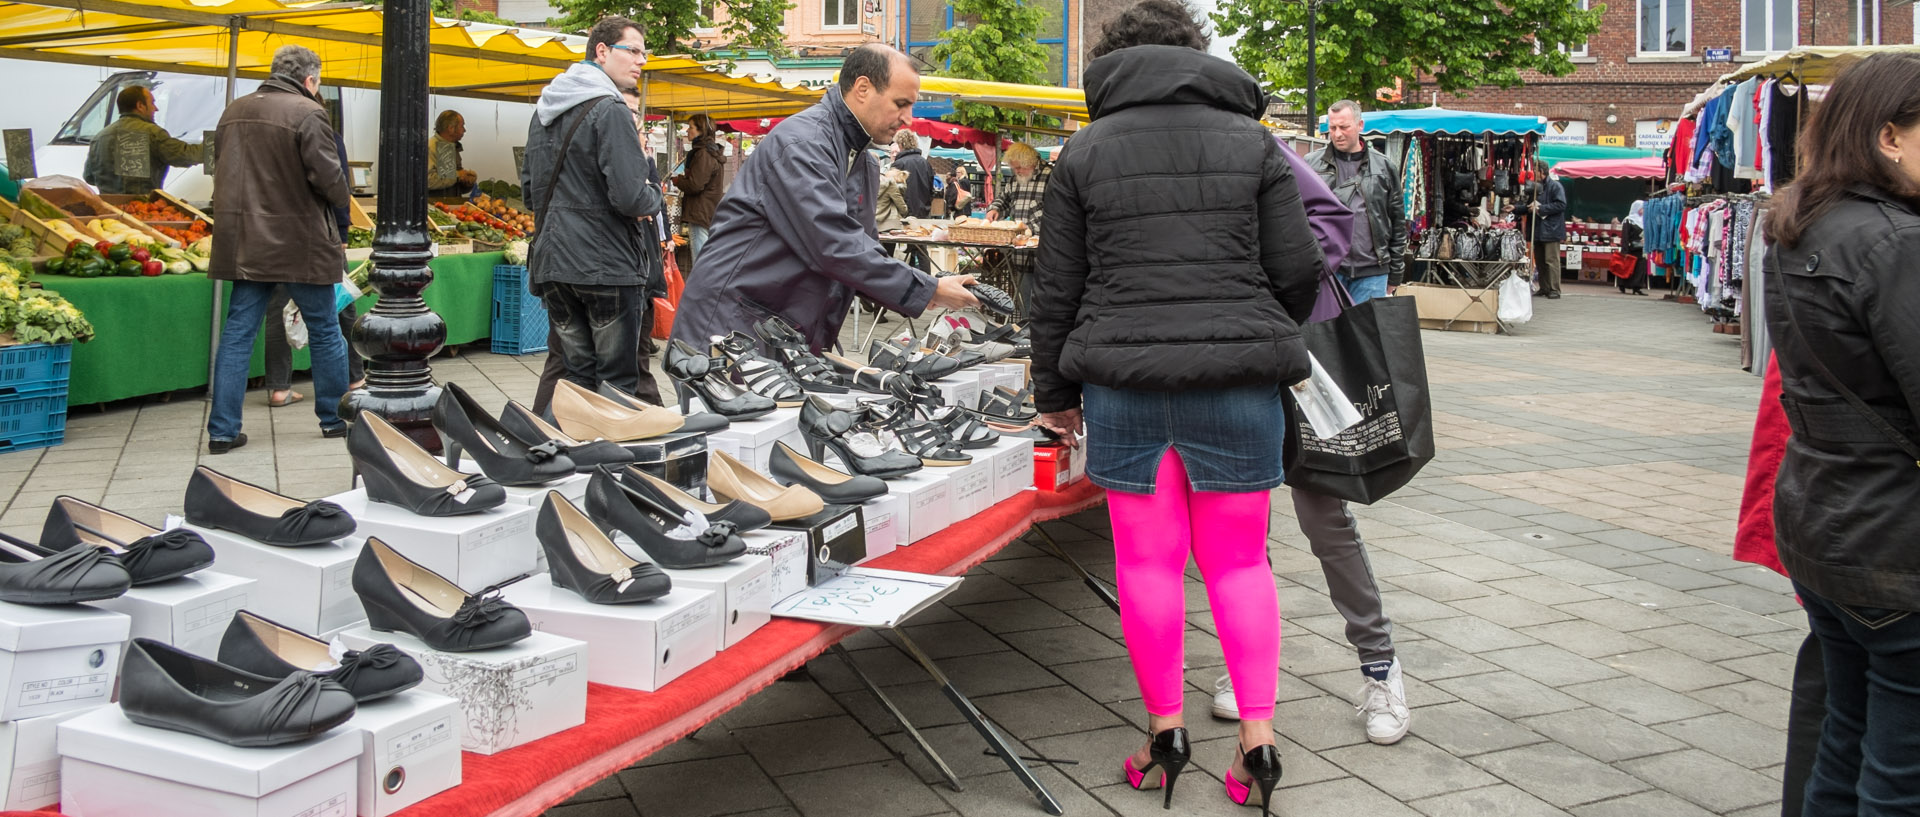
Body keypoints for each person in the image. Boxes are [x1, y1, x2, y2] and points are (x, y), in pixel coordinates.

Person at [1027, 0, 1324, 810]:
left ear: (1112, 64)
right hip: (1235, 383)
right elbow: (1299, 268)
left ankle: (1164, 735)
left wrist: (1054, 394)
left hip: (1124, 384)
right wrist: (1249, 327)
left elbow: (1055, 288)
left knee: (1147, 562)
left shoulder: (1084, 151)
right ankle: (1257, 744)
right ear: (1195, 55)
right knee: (1239, 560)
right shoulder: (1253, 141)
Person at [1759, 51, 1920, 817]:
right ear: (1890, 135)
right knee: (1898, 777)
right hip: (1895, 541)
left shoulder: (1800, 225)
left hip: (1825, 522)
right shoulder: (1895, 242)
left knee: (1843, 739)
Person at [669, 44, 978, 354]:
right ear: (862, 88)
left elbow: (862, 249)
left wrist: (930, 290)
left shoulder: (862, 161)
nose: (908, 119)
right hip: (731, 325)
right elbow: (833, 244)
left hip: (778, 327)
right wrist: (927, 289)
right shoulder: (802, 143)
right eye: (901, 104)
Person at [205, 45, 353, 453]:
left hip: (245, 242)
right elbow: (332, 184)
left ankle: (222, 431)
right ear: (310, 80)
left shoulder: (234, 111)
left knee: (237, 334)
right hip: (298, 243)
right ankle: (333, 420)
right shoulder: (308, 113)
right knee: (325, 330)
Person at [521, 16, 660, 404]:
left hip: (554, 263)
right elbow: (631, 196)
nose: (641, 61)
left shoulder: (544, 111)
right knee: (616, 385)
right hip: (606, 265)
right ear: (601, 51)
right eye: (632, 50)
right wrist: (655, 196)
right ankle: (614, 462)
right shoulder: (610, 109)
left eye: (643, 53)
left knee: (577, 378)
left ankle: (573, 457)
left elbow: (530, 194)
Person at [1304, 101, 1406, 300]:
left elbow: (1397, 223)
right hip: (1328, 271)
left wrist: (1395, 273)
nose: (1337, 134)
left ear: (1360, 125)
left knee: (1366, 331)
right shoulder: (1311, 164)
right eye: (1332, 128)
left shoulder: (1384, 166)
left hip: (1372, 273)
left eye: (1344, 127)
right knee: (1326, 331)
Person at [82, 86, 202, 196]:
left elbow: (89, 177)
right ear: (140, 106)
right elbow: (185, 156)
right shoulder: (151, 133)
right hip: (140, 209)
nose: (156, 108)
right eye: (152, 102)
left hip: (108, 209)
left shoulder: (99, 137)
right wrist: (217, 142)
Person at [672, 113, 725, 267]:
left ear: (701, 131)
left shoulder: (703, 153)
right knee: (706, 259)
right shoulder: (710, 152)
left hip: (700, 212)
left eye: (691, 127)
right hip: (707, 211)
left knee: (701, 262)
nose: (687, 131)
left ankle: (702, 290)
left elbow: (696, 185)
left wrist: (678, 180)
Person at [1529, 159, 1568, 298]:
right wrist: (1516, 208)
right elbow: (1530, 206)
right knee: (1540, 261)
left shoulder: (1555, 186)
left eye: (1535, 170)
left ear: (1542, 172)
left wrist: (1541, 208)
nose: (1533, 172)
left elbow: (1561, 205)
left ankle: (1554, 290)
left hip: (1551, 229)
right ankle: (1544, 287)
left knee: (1551, 261)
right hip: (1539, 229)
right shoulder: (1537, 187)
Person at [427, 110, 476, 197]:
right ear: (451, 128)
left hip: (450, 204)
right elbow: (429, 181)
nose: (465, 130)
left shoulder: (450, 146)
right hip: (434, 206)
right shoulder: (431, 147)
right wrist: (457, 175)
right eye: (462, 126)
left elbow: (450, 185)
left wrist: (466, 182)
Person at [1616, 200, 1650, 296]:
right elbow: (1625, 236)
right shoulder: (1628, 220)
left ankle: (1637, 287)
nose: (1643, 210)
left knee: (1640, 268)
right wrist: (1624, 250)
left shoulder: (1644, 220)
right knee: (1627, 266)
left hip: (1641, 248)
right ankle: (1622, 285)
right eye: (1642, 208)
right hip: (1631, 248)